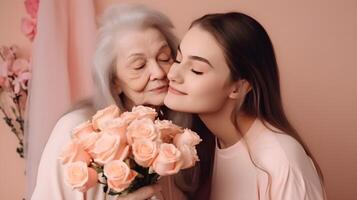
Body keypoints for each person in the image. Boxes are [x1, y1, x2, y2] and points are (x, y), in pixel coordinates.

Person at [31, 4, 189, 200]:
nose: (158, 73)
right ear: (114, 82)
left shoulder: (174, 131)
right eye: (139, 66)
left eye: (165, 58)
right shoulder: (76, 130)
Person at [164, 12, 326, 200]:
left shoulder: (281, 160)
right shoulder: (204, 143)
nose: (173, 74)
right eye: (178, 58)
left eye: (196, 70)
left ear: (239, 87)